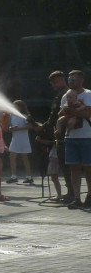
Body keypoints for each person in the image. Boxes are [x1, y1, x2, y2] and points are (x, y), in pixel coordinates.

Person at [35, 71, 73, 202]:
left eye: (55, 82)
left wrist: (43, 127)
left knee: (66, 165)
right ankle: (71, 193)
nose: (53, 85)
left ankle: (71, 193)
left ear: (62, 80)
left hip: (64, 134)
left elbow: (55, 117)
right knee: (64, 165)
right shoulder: (61, 94)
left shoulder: (66, 94)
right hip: (61, 134)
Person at [59, 69, 91, 208]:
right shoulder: (65, 96)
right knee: (74, 168)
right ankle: (76, 197)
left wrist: (70, 110)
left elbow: (86, 114)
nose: (71, 81)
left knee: (89, 168)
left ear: (81, 81)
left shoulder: (88, 94)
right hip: (71, 137)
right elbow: (61, 114)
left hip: (87, 136)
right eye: (69, 79)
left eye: (74, 79)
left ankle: (89, 196)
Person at [6, 100, 33, 184]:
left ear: (20, 107)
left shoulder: (24, 116)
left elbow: (30, 126)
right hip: (15, 139)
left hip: (23, 139)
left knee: (25, 158)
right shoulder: (12, 116)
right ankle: (14, 176)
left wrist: (19, 129)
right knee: (12, 157)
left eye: (15, 106)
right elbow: (10, 126)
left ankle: (29, 177)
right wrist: (11, 128)